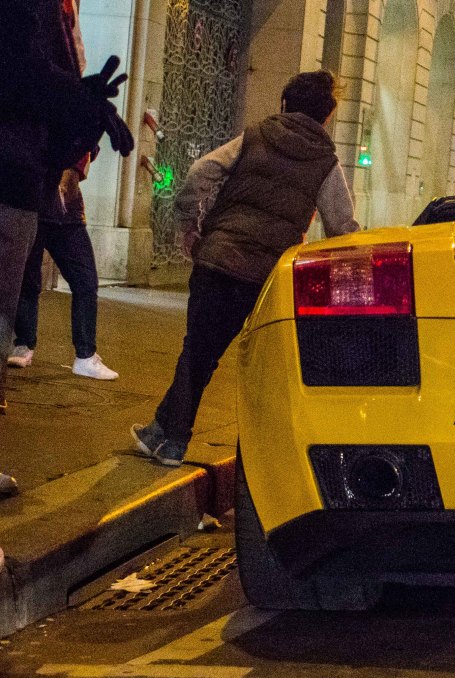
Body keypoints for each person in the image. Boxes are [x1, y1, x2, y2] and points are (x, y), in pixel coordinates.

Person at [131, 71, 360, 467]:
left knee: (198, 350)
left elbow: (200, 171)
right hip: (264, 276)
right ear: (326, 117)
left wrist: (190, 225)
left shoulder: (253, 137)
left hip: (218, 257)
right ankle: (161, 433)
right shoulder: (326, 164)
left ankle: (172, 441)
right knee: (220, 357)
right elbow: (342, 225)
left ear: (285, 104)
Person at [1, 0, 134, 497]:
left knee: (10, 308)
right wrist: (78, 100)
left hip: (22, 183)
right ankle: (67, 350)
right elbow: (27, 74)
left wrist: (80, 107)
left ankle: (35, 347)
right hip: (13, 179)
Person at [7, 153, 119, 380]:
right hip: (32, 203)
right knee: (28, 280)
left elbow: (89, 147)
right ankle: (24, 343)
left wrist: (72, 173)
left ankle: (86, 355)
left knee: (85, 282)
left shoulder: (78, 121)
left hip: (66, 210)